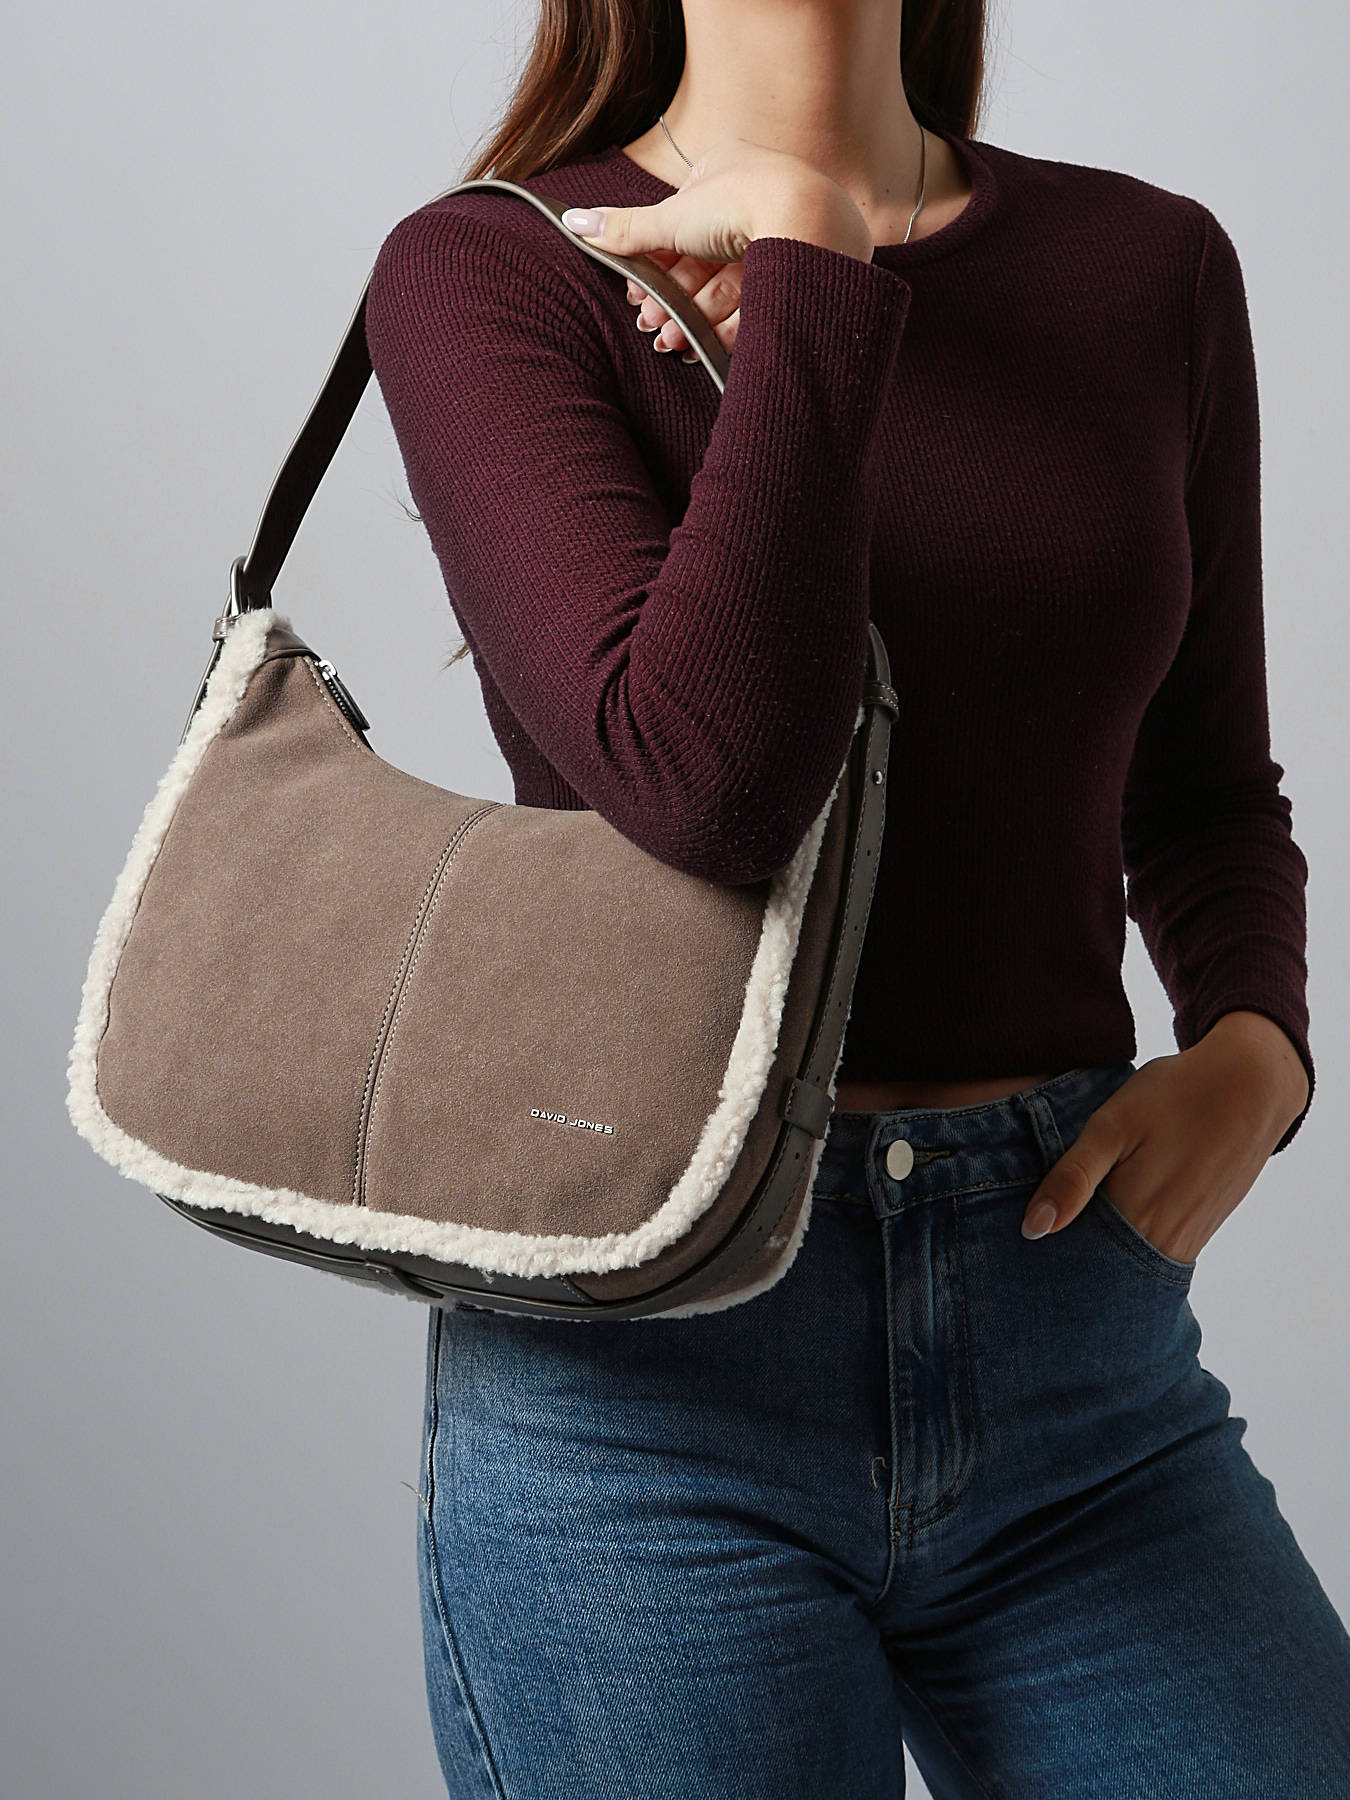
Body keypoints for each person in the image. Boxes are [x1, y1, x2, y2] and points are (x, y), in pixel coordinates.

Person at [363, 0, 1350, 1791]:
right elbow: (707, 785)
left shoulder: (1148, 266)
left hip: (1076, 1352)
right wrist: (815, 271)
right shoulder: (498, 269)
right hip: (645, 1393)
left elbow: (1205, 786)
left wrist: (1257, 1049)